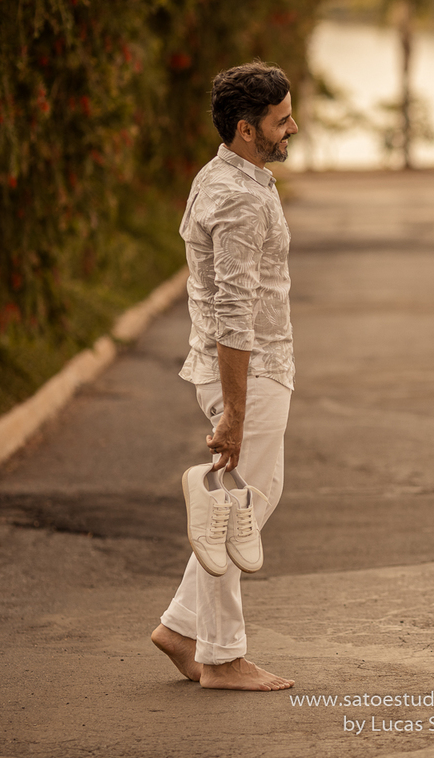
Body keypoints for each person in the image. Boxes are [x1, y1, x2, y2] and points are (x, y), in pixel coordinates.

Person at [150, 61, 299, 692]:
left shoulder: (232, 176)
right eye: (281, 120)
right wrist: (235, 412)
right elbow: (232, 314)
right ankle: (221, 656)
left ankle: (182, 629)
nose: (294, 127)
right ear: (247, 128)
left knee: (248, 504)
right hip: (249, 370)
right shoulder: (236, 197)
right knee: (233, 514)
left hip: (256, 368)